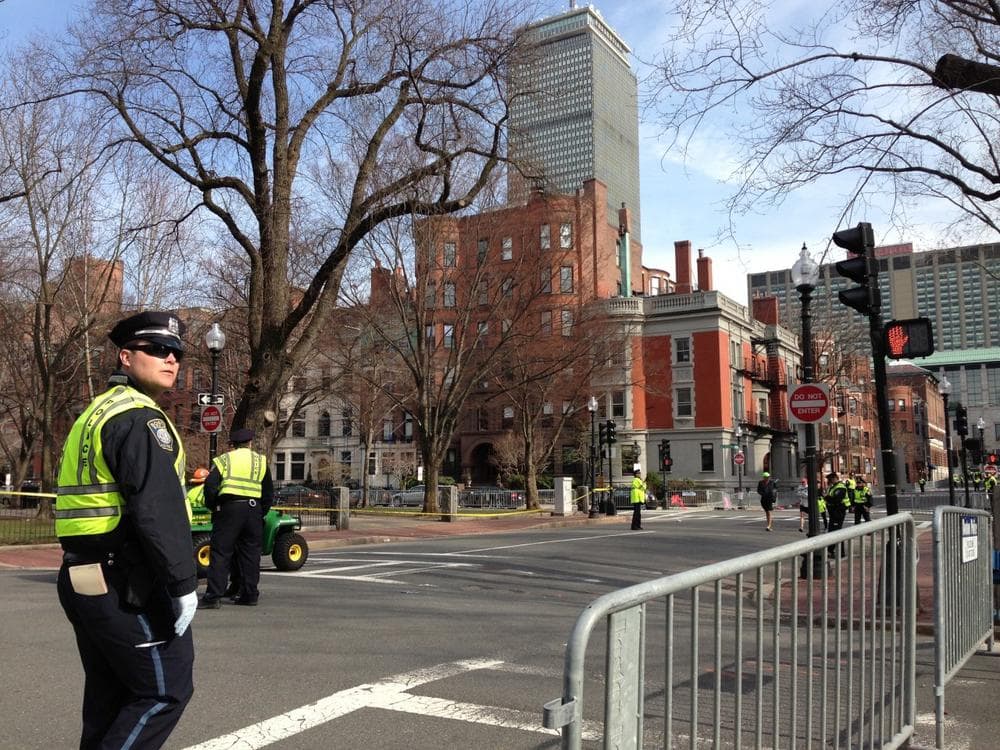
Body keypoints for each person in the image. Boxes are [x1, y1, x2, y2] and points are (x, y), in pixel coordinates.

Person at [54, 311, 196, 749]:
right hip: (125, 581)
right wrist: (182, 583)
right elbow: (157, 507)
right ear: (126, 356)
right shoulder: (141, 419)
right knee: (163, 691)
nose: (170, 358)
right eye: (156, 350)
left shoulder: (95, 413)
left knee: (109, 696)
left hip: (83, 576)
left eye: (175, 352)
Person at [200, 428, 273, 608]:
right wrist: (260, 512)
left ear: (233, 444)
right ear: (250, 443)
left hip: (229, 509)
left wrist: (214, 506)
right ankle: (249, 594)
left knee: (221, 552)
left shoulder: (225, 460)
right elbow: (268, 492)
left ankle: (213, 596)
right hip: (253, 510)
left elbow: (210, 485)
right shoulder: (261, 461)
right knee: (251, 554)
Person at [824, 471, 851, 538]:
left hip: (838, 511)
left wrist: (826, 497)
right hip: (834, 512)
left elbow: (836, 500)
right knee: (833, 531)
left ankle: (835, 548)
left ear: (835, 478)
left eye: (830, 479)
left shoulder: (840, 487)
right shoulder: (833, 487)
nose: (829, 481)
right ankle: (834, 547)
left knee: (836, 531)